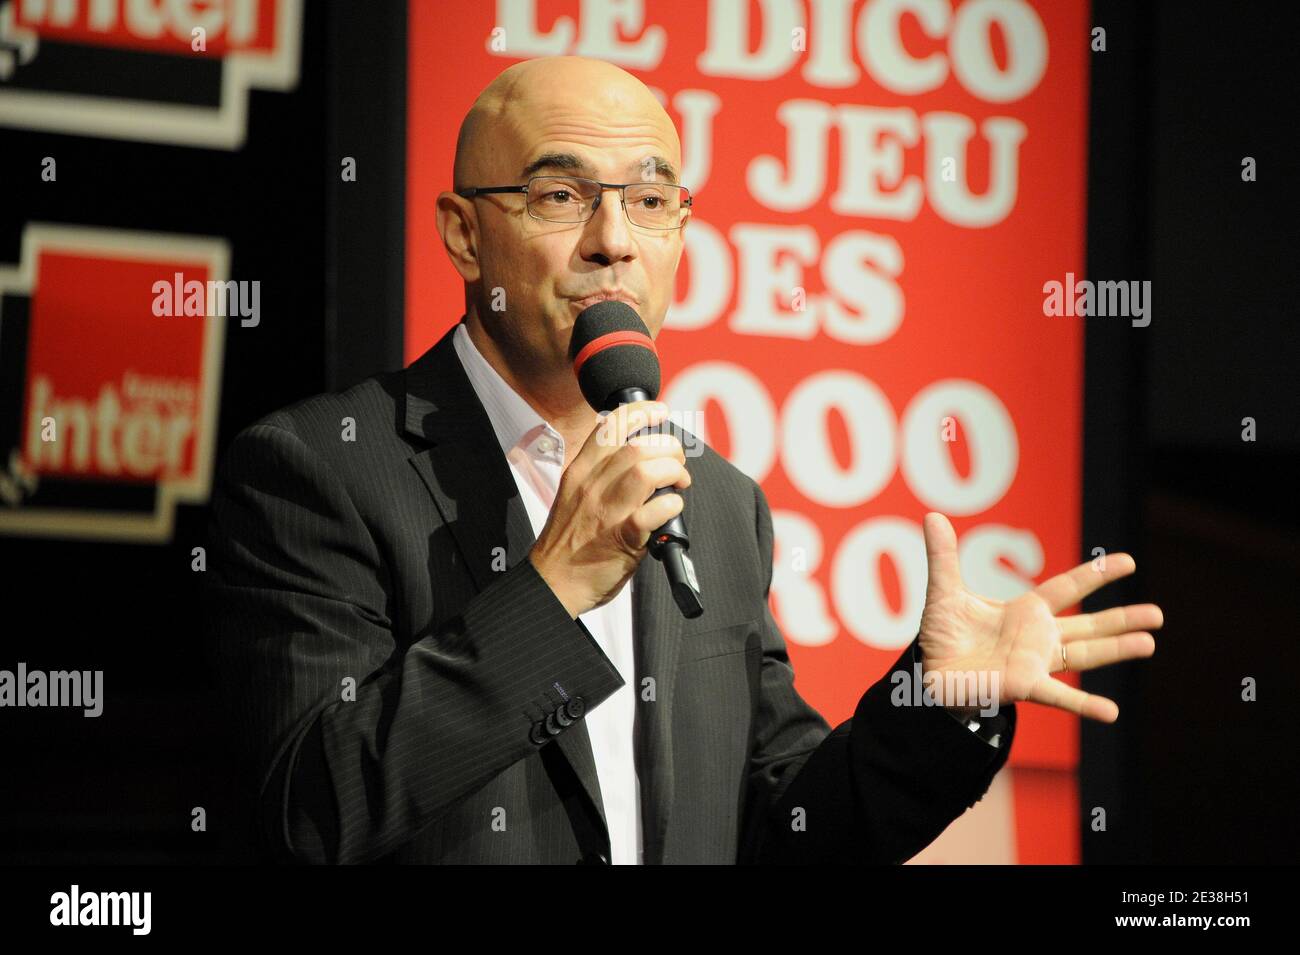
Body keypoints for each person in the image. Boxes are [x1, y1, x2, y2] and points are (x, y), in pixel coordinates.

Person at [202, 55, 1163, 865]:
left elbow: (786, 829)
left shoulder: (718, 502)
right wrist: (553, 587)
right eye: (560, 195)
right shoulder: (319, 469)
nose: (613, 241)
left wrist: (940, 702)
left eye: (651, 200)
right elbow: (306, 812)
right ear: (463, 233)